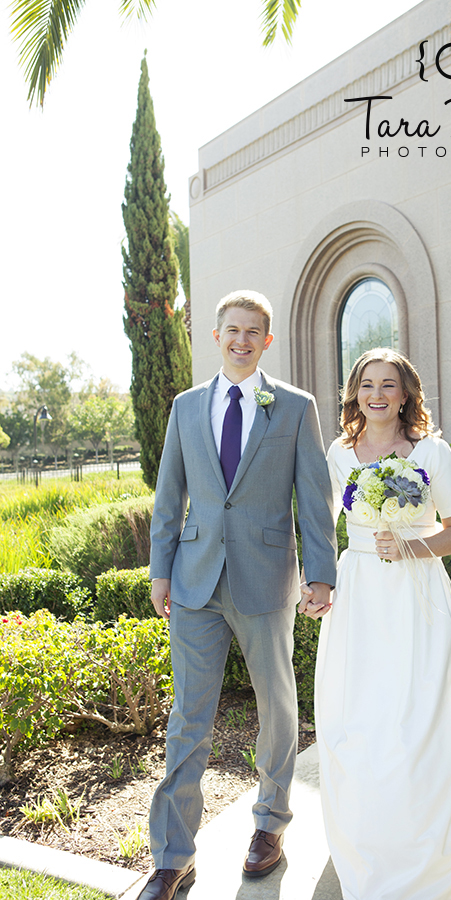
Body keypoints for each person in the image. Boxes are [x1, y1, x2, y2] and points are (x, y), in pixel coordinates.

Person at [140, 290, 337, 900]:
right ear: (217, 335)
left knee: (277, 710)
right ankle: (173, 858)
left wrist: (321, 572)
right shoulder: (185, 407)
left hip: (266, 577)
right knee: (187, 721)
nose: (242, 340)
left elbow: (314, 497)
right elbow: (169, 495)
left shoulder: (296, 408)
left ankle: (269, 824)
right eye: (232, 330)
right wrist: (160, 569)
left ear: (267, 340)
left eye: (254, 331)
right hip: (196, 581)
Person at [301, 348, 451, 900]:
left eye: (388, 384)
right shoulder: (339, 453)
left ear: (406, 394)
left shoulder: (433, 450)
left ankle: (426, 842)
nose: (377, 394)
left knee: (419, 715)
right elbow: (319, 523)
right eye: (366, 385)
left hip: (417, 594)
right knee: (359, 716)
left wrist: (411, 546)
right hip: (359, 593)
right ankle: (368, 837)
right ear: (354, 394)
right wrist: (316, 582)